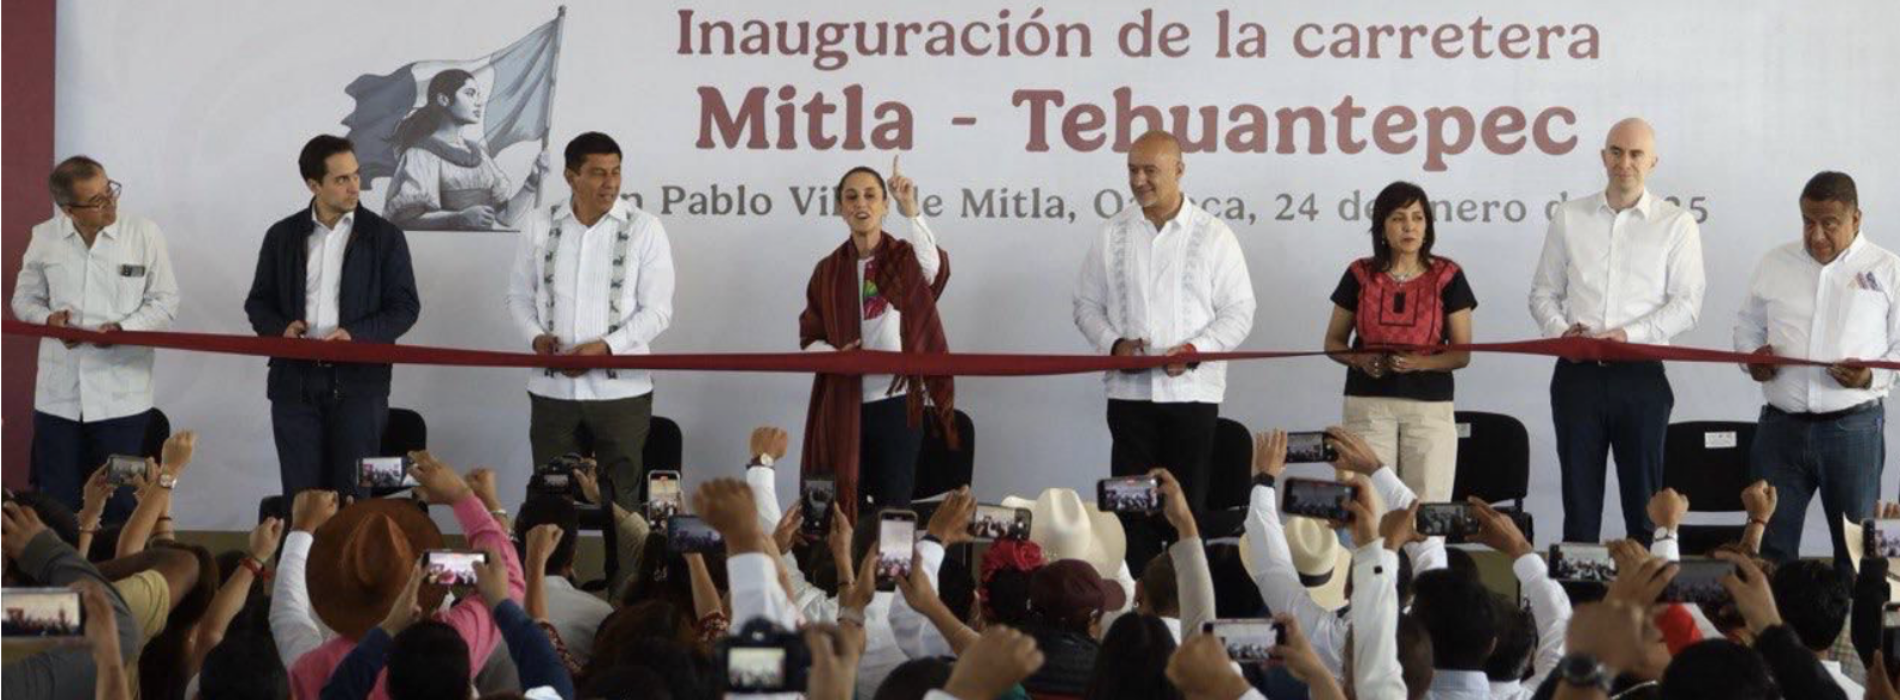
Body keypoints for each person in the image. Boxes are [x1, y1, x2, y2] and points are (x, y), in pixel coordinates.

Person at [1073, 130, 1256, 570]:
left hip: (1193, 399)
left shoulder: (1215, 235)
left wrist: (1196, 348)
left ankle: (1184, 605)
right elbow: (1085, 305)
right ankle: (1140, 605)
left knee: (1184, 510)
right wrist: (1114, 344)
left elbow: (1240, 311)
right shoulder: (1111, 233)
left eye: (1149, 170)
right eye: (1132, 170)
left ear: (1178, 170)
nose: (1138, 180)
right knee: (1129, 513)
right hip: (1129, 399)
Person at [1528, 117, 1705, 545]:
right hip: (1577, 376)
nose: (1624, 162)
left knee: (1645, 509)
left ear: (1653, 161)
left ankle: (1643, 609)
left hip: (1640, 377)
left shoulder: (1676, 223)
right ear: (1603, 156)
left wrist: (1630, 336)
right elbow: (1542, 294)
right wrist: (1562, 332)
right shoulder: (1570, 216)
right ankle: (1578, 606)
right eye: (1616, 151)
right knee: (1579, 507)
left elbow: (1687, 305)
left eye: (1635, 153)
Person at [1736, 171, 1899, 573]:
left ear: (1856, 218)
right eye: (1809, 221)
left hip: (1854, 432)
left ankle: (1857, 638)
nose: (1817, 235)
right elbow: (1747, 327)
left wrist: (1870, 379)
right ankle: (1772, 635)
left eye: (1830, 223)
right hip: (1780, 430)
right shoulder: (1775, 262)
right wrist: (1751, 359)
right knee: (1770, 549)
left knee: (1860, 554)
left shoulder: (1889, 269)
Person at [244, 135, 421, 500]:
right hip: (294, 385)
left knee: (353, 498)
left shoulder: (385, 237)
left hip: (361, 386)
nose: (355, 186)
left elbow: (404, 307)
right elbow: (258, 302)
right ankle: (300, 559)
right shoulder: (281, 235)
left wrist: (356, 335)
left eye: (356, 175)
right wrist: (280, 329)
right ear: (313, 185)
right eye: (342, 179)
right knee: (302, 498)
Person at [506, 131, 675, 510]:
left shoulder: (644, 227)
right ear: (570, 177)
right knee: (550, 497)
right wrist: (536, 338)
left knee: (622, 499)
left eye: (616, 171)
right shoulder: (538, 224)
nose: (611, 182)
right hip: (552, 392)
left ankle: (628, 573)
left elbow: (658, 311)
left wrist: (606, 349)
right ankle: (548, 572)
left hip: (622, 393)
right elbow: (518, 295)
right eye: (598, 173)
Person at [11, 156, 179, 522]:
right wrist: (49, 321)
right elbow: (23, 300)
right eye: (98, 200)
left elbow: (166, 303)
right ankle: (60, 578)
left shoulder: (144, 233)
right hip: (59, 400)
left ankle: (118, 578)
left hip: (124, 402)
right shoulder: (44, 236)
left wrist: (123, 331)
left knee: (121, 502)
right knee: (57, 501)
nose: (111, 203)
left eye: (110, 191)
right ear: (69, 210)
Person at [797, 157, 955, 515]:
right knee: (843, 509)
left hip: (897, 405)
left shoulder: (904, 258)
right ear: (840, 209)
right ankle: (843, 570)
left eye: (870, 195)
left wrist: (911, 210)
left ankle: (891, 572)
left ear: (885, 206)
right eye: (851, 197)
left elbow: (932, 271)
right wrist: (837, 356)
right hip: (843, 405)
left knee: (893, 508)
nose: (861, 204)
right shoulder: (828, 269)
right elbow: (810, 338)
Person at [1323, 181, 1475, 503]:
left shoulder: (1449, 274)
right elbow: (1333, 342)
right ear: (1382, 226)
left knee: (1427, 510)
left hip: (1429, 408)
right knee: (1368, 508)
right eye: (1398, 218)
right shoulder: (1359, 272)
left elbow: (1461, 354)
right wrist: (1359, 359)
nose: (1409, 227)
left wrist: (1422, 363)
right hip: (1368, 404)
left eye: (1418, 218)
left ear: (1428, 226)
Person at [384, 69, 551, 231]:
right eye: (470, 94)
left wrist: (532, 181)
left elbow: (506, 217)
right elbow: (404, 220)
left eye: (478, 95)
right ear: (443, 99)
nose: (478, 102)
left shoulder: (479, 155)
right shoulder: (421, 154)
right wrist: (458, 218)